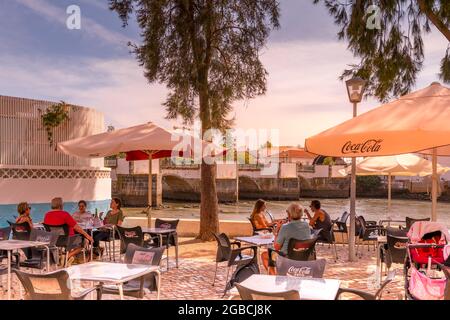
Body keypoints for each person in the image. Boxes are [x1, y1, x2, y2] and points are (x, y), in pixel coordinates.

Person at [261, 203, 312, 275]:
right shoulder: (306, 225)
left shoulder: (285, 227)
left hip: (286, 258)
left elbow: (276, 247)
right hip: (303, 257)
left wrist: (278, 230)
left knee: (264, 255)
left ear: (289, 215)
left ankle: (273, 277)